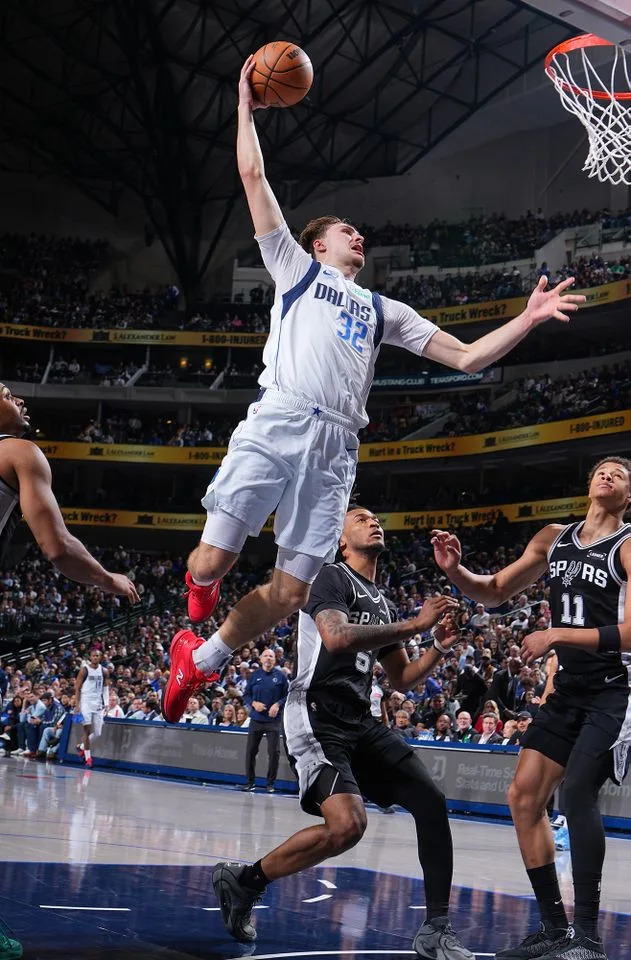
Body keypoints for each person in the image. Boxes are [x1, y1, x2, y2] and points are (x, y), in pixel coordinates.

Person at [161, 60, 586, 725]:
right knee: (215, 556)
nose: (358, 234)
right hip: (281, 418)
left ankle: (201, 660)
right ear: (317, 244)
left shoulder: (384, 308)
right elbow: (252, 175)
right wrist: (244, 107)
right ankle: (201, 581)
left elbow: (468, 358)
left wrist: (527, 319)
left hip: (336, 445)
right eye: (343, 230)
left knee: (290, 589)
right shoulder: (295, 270)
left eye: (358, 231)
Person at [212, 507, 475, 960]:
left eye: (376, 518)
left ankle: (436, 929)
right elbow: (333, 638)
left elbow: (402, 679)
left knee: (431, 800)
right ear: (341, 540)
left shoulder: (383, 600)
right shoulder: (330, 576)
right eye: (360, 518)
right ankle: (247, 880)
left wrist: (436, 647)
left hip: (359, 717)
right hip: (315, 712)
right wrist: (416, 624)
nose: (374, 522)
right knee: (349, 825)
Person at [432, 456, 631, 960]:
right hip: (569, 691)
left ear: (628, 496)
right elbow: (496, 591)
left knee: (578, 793)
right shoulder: (552, 538)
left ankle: (587, 937)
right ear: (589, 482)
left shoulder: (627, 546)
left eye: (621, 474)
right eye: (602, 470)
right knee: (523, 796)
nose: (608, 475)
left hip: (615, 689)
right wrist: (457, 571)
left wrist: (557, 634)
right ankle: (554, 928)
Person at [242, 648, 288, 793]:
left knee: (274, 753)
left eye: (271, 656)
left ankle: (270, 784)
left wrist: (277, 704)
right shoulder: (254, 676)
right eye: (266, 655)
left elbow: (287, 696)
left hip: (273, 721)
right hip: (256, 719)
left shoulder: (281, 677)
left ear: (275, 660)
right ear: (261, 659)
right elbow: (246, 695)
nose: (268, 658)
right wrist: (253, 704)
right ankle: (250, 782)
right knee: (250, 752)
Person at [74, 648, 108, 768]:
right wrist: (77, 705)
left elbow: (105, 688)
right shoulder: (84, 670)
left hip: (98, 702)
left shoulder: (104, 671)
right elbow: (77, 688)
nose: (95, 657)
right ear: (90, 657)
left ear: (100, 657)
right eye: (93, 656)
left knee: (98, 732)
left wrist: (107, 703)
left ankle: (82, 747)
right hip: (86, 701)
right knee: (87, 730)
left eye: (98, 656)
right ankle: (89, 759)